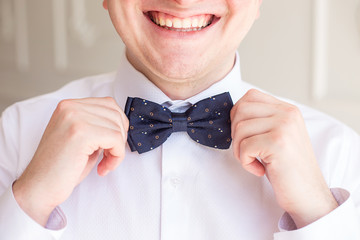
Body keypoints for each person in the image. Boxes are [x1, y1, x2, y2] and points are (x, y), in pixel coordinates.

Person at [0, 0, 359, 239]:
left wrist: (317, 215)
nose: (183, 1)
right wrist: (29, 202)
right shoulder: (17, 134)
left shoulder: (338, 153)